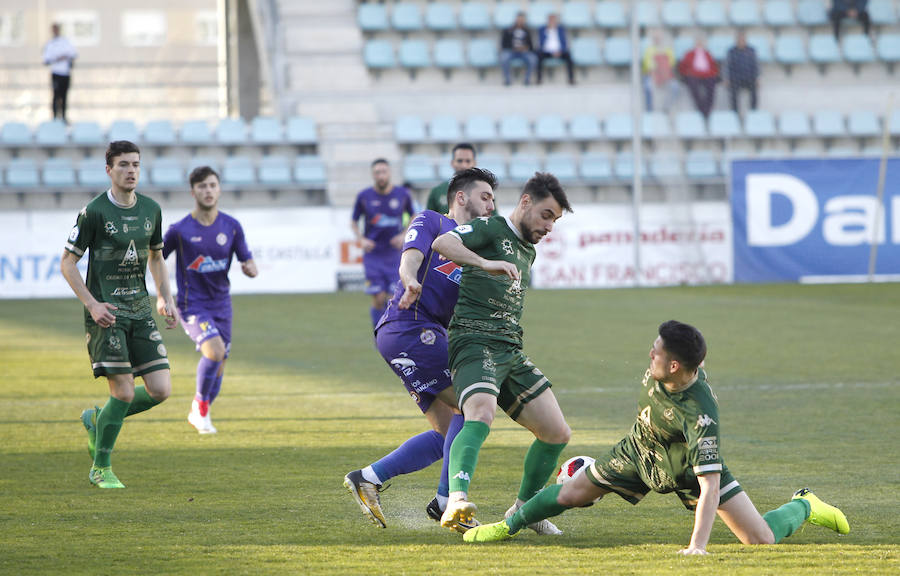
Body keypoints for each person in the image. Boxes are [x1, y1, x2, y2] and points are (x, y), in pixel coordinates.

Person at [462, 321, 851, 553]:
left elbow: (710, 484)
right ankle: (507, 525)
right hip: (638, 449)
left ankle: (805, 505)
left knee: (760, 541)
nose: (650, 354)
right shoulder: (672, 368)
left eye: (656, 352)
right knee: (569, 494)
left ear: (675, 365)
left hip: (685, 468)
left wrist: (697, 547)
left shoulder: (700, 415)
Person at [344, 167, 497, 530]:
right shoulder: (433, 221)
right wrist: (410, 278)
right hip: (410, 328)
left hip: (417, 335)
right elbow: (410, 254)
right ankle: (447, 501)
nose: (492, 204)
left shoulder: (473, 247)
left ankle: (368, 477)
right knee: (473, 405)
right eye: (485, 196)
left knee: (448, 432)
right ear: (461, 197)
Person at [432, 172, 574, 535]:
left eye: (554, 220)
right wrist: (483, 262)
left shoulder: (529, 250)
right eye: (546, 215)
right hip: (474, 341)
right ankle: (457, 500)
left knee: (557, 432)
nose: (549, 226)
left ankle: (526, 510)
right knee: (480, 411)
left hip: (509, 347)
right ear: (525, 202)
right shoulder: (491, 228)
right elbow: (442, 243)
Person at [61, 140, 178, 489]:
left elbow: (156, 257)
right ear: (109, 170)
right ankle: (101, 467)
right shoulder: (93, 212)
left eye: (136, 165)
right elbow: (68, 263)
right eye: (124, 165)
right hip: (106, 314)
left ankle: (99, 418)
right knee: (124, 393)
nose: (131, 171)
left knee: (161, 390)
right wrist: (92, 304)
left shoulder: (151, 210)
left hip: (140, 310)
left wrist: (164, 298)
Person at [162, 166, 257, 434]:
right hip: (192, 304)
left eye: (212, 185)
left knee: (220, 360)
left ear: (219, 189)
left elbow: (245, 258)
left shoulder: (231, 226)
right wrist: (162, 294)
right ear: (193, 192)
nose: (208, 190)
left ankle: (200, 409)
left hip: (221, 303)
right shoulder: (179, 230)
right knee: (214, 351)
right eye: (202, 186)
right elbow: (155, 255)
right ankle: (201, 407)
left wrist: (250, 267)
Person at [350, 159, 417, 329]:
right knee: (378, 298)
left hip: (395, 254)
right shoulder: (364, 196)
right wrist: (361, 239)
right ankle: (378, 332)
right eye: (377, 172)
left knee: (393, 298)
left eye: (383, 172)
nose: (381, 176)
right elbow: (353, 221)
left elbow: (414, 216)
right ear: (373, 175)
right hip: (373, 254)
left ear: (389, 173)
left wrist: (404, 235)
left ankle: (391, 334)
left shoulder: (402, 194)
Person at [425, 143, 477, 214]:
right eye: (459, 161)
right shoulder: (437, 192)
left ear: (474, 163)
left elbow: (492, 221)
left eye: (468, 161)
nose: (464, 165)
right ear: (452, 163)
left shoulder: (485, 191)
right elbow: (429, 221)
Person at [42, 23, 77, 123]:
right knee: (55, 95)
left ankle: (64, 117)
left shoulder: (65, 42)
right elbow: (46, 60)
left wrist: (64, 57)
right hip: (56, 73)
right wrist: (57, 58)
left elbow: (73, 54)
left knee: (64, 95)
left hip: (65, 73)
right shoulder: (50, 44)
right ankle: (54, 117)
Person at [678, 35, 719, 119]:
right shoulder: (689, 54)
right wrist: (686, 73)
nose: (699, 45)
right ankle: (702, 109)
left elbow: (714, 66)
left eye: (701, 43)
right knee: (694, 88)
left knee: (711, 86)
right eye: (698, 43)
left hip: (707, 75)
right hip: (694, 75)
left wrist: (714, 74)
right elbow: (682, 66)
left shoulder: (707, 53)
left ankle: (708, 109)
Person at [642, 30, 679, 113]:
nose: (657, 40)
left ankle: (666, 106)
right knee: (648, 87)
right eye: (655, 38)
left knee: (675, 86)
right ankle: (649, 109)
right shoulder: (649, 50)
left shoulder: (667, 50)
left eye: (659, 38)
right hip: (652, 74)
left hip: (665, 74)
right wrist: (656, 72)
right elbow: (648, 65)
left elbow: (672, 63)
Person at [500, 12, 538, 86]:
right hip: (511, 51)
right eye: (519, 19)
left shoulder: (527, 31)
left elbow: (531, 45)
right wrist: (513, 48)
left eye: (522, 20)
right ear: (516, 20)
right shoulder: (508, 30)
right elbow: (503, 44)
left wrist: (525, 47)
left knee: (533, 59)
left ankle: (527, 80)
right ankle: (507, 80)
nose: (520, 21)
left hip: (524, 52)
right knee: (503, 58)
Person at [537, 13, 575, 86]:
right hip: (547, 51)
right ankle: (539, 79)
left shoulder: (561, 29)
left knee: (568, 56)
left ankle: (571, 79)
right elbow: (540, 43)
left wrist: (560, 51)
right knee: (539, 56)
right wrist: (547, 31)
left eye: (554, 20)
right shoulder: (542, 29)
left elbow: (564, 42)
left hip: (559, 51)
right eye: (550, 20)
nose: (552, 21)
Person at [726, 31, 760, 114]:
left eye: (743, 40)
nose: (741, 41)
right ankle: (735, 112)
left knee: (754, 92)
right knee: (733, 93)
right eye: (739, 40)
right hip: (735, 78)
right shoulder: (731, 51)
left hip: (749, 77)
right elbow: (727, 66)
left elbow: (756, 65)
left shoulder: (751, 51)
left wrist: (758, 77)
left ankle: (753, 111)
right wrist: (727, 78)